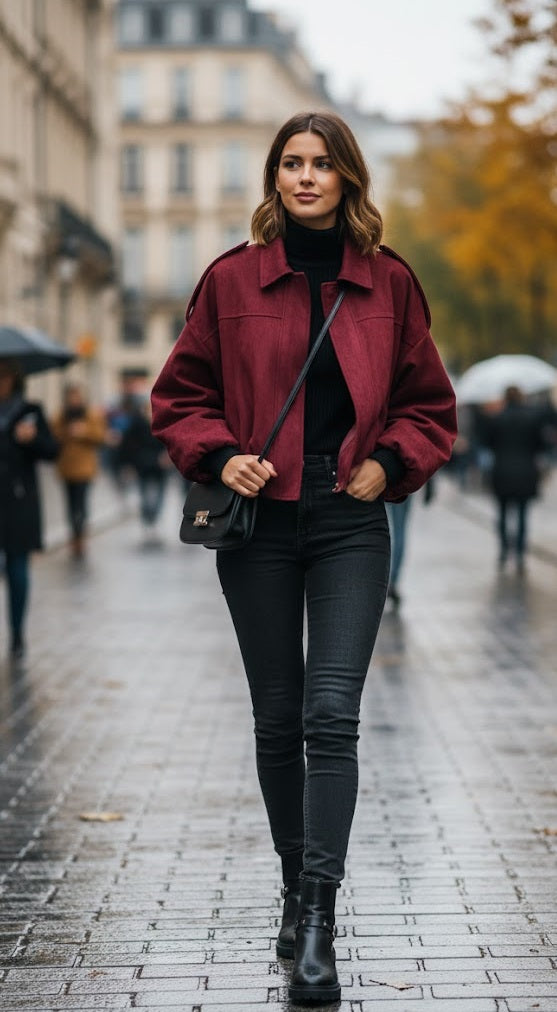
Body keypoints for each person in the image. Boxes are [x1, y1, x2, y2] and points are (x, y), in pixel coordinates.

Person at [151, 111, 457, 1004]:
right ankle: (293, 887)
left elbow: (427, 403)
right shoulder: (231, 279)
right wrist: (217, 452)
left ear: (348, 177)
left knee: (333, 713)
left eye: (323, 163)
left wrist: (388, 461)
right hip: (257, 523)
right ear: (274, 177)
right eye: (291, 163)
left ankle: (316, 917)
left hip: (349, 518)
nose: (306, 177)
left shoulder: (389, 283)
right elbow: (180, 396)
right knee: (277, 719)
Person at [0, 358, 58, 659]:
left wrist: (33, 439)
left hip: (19, 501)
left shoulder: (30, 412)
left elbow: (52, 452)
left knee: (17, 569)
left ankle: (17, 632)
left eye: (5, 375)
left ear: (15, 378)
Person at [480, 385, 550, 571]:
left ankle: (503, 549)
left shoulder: (496, 419)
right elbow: (541, 446)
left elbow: (487, 443)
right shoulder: (533, 419)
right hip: (526, 472)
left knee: (502, 513)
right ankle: (519, 552)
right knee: (522, 514)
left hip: (502, 471)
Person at [51, 383, 106, 558]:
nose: (74, 400)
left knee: (81, 504)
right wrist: (67, 431)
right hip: (66, 468)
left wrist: (84, 431)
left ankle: (80, 536)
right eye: (71, 396)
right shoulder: (60, 416)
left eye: (77, 396)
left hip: (85, 468)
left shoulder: (90, 415)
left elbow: (100, 436)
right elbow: (52, 436)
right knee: (70, 504)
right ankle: (73, 535)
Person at [118, 401, 170, 542]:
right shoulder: (137, 425)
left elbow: (170, 442)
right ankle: (147, 520)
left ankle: (154, 519)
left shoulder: (162, 424)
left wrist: (167, 455)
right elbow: (128, 445)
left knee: (159, 495)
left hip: (160, 467)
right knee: (145, 495)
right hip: (143, 465)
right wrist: (129, 465)